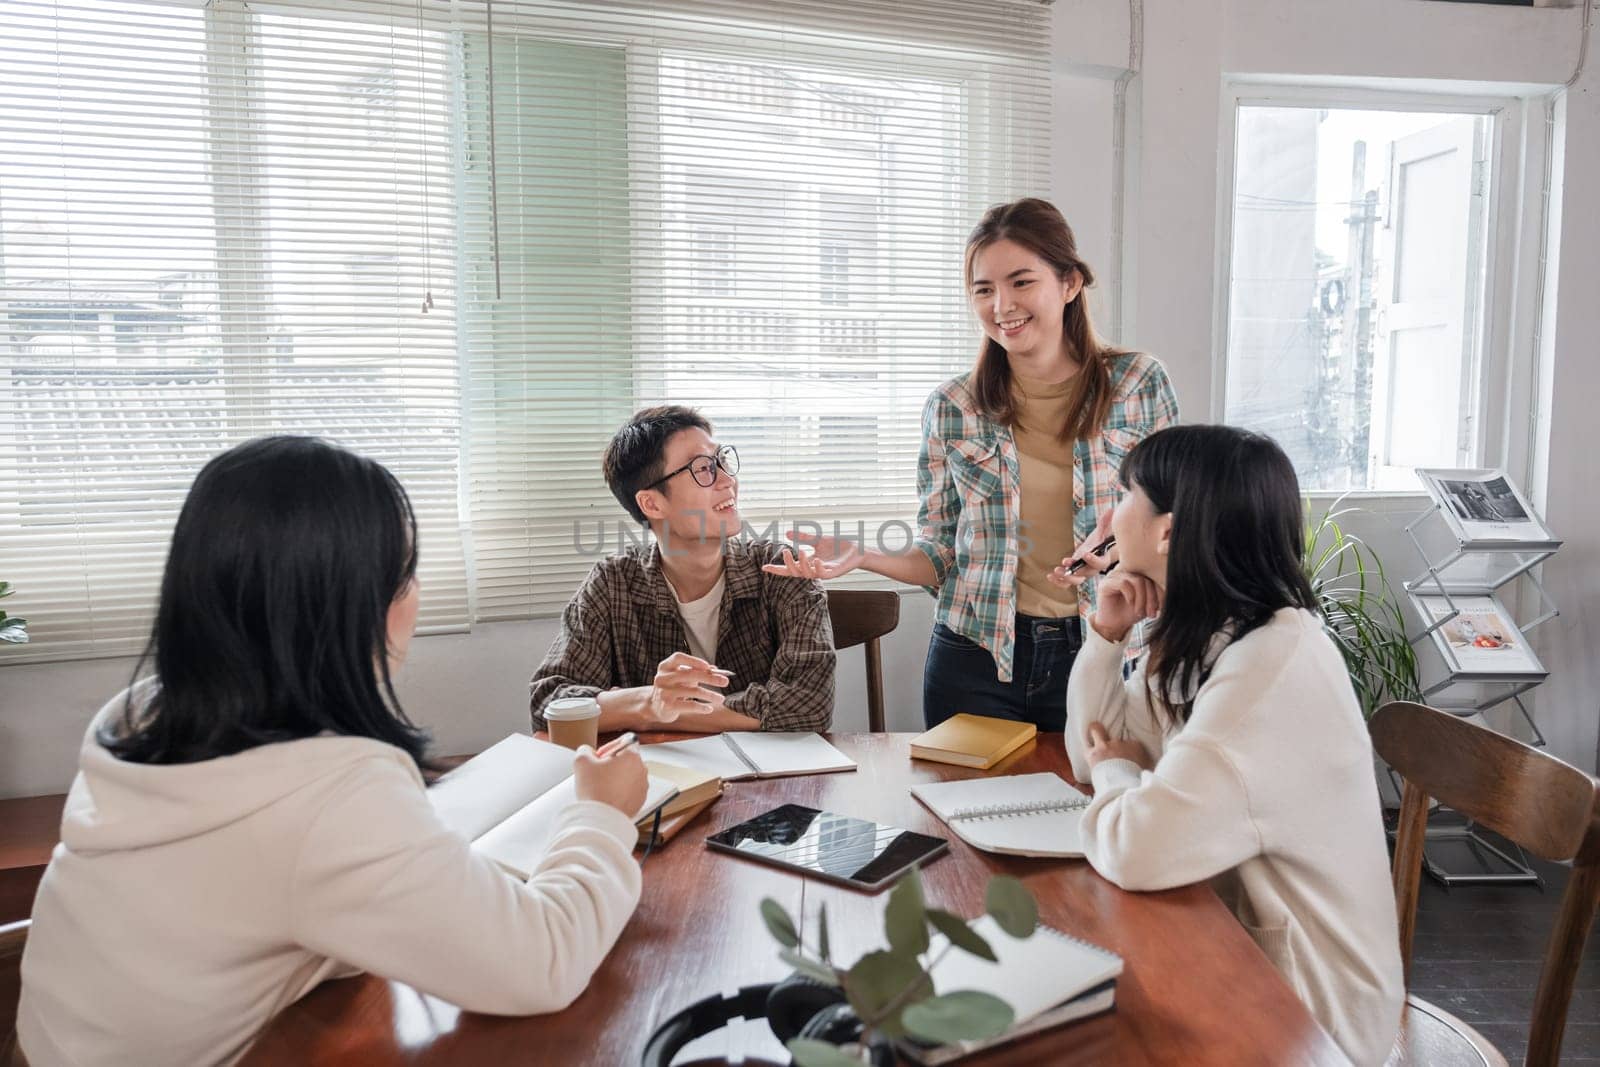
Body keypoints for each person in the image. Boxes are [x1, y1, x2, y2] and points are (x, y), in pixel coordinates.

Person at [17, 437, 649, 1067]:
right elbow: (542, 963)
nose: (416, 596)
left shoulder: (145, 714)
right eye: (405, 575)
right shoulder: (327, 792)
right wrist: (600, 814)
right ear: (351, 607)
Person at [763, 197, 1178, 729]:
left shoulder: (1139, 384)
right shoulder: (953, 407)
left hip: (1102, 647)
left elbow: (1175, 526)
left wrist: (1120, 552)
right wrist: (863, 556)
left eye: (1021, 282)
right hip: (973, 658)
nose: (1001, 305)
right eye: (983, 289)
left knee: (1093, 804)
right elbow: (939, 552)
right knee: (956, 810)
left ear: (1070, 283)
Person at [1062, 424, 1404, 1067]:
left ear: (1167, 531)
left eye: (1124, 494)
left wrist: (1117, 776)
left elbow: (1135, 846)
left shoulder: (1269, 670)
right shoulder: (1209, 634)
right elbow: (1094, 754)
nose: (1110, 517)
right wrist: (1106, 637)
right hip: (1236, 947)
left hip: (1311, 1015)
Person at [531, 405, 835, 734]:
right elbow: (549, 703)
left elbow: (809, 706)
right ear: (651, 503)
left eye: (722, 461)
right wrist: (651, 701)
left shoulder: (783, 571)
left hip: (777, 778)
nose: (728, 480)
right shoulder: (613, 583)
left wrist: (657, 710)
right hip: (665, 776)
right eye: (703, 469)